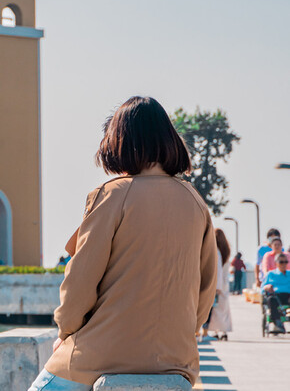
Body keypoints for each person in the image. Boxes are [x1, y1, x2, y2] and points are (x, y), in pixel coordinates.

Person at [28, 96, 216, 391]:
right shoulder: (195, 202)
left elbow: (80, 281)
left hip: (101, 355)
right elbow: (206, 290)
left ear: (120, 142)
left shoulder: (113, 194)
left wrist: (65, 332)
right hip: (176, 359)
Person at [206, 228, 232, 340]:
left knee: (215, 310)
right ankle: (224, 331)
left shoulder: (216, 252)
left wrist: (216, 287)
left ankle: (215, 331)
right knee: (224, 310)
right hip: (225, 284)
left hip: (218, 284)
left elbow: (218, 272)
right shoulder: (226, 252)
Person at [261, 254, 290, 334]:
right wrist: (267, 287)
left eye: (285, 262)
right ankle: (278, 323)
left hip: (288, 295)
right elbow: (263, 287)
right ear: (276, 263)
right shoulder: (271, 274)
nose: (284, 264)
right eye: (281, 262)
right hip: (276, 295)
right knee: (271, 299)